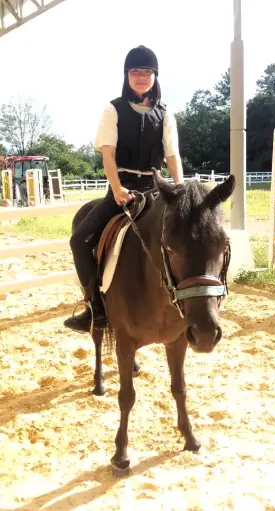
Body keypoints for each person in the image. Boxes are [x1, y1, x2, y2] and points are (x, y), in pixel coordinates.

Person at [64, 45, 184, 333]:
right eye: (135, 72)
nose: (141, 77)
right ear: (127, 75)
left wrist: (179, 189)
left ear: (155, 76)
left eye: (147, 72)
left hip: (154, 192)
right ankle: (95, 306)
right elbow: (108, 154)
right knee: (79, 241)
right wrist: (116, 189)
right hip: (122, 191)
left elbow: (172, 157)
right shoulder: (113, 109)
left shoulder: (165, 115)